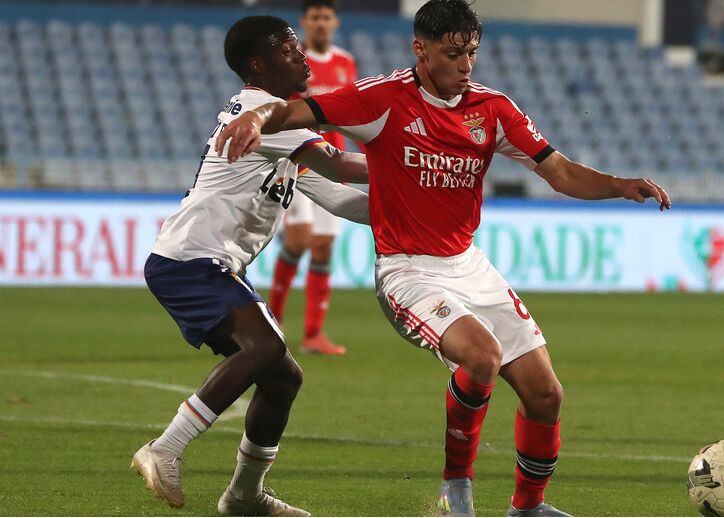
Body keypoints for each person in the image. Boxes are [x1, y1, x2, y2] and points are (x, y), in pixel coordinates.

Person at [216, 1, 672, 516]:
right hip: (408, 269)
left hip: (468, 264)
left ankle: (527, 508)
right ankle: (454, 491)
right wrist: (258, 114)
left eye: (472, 52)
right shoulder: (383, 98)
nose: (466, 64)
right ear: (422, 49)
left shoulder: (493, 109)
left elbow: (559, 171)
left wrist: (619, 185)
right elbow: (300, 111)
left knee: (546, 394)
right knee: (480, 357)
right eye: (453, 53)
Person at [131, 15, 370, 516]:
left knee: (282, 378)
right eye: (288, 50)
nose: (302, 56)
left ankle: (244, 496)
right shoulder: (266, 110)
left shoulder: (275, 126)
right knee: (265, 346)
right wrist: (421, 165)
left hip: (202, 263)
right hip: (191, 259)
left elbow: (338, 197)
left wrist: (420, 205)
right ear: (259, 65)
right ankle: (164, 448)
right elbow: (344, 166)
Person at [269, 0, 360, 356]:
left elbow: (352, 111)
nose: (321, 23)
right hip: (298, 158)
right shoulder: (291, 60)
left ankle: (312, 335)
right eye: (315, 17)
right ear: (304, 22)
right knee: (298, 241)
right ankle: (272, 323)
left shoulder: (345, 62)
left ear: (335, 22)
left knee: (322, 247)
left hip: (332, 160)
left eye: (327, 17)